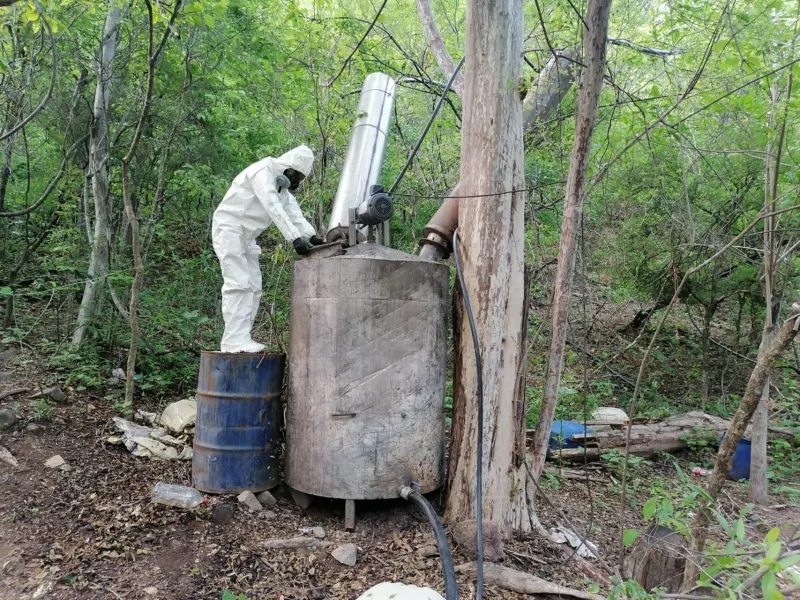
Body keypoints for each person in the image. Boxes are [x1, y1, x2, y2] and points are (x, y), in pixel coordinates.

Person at [212, 144, 323, 353]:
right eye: (296, 176)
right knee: (238, 283)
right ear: (288, 168)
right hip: (229, 229)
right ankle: (232, 341)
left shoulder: (281, 188)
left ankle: (242, 339)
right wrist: (294, 239)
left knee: (253, 287)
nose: (295, 181)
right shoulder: (263, 171)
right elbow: (273, 205)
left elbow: (292, 212)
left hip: (246, 237)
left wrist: (312, 236)